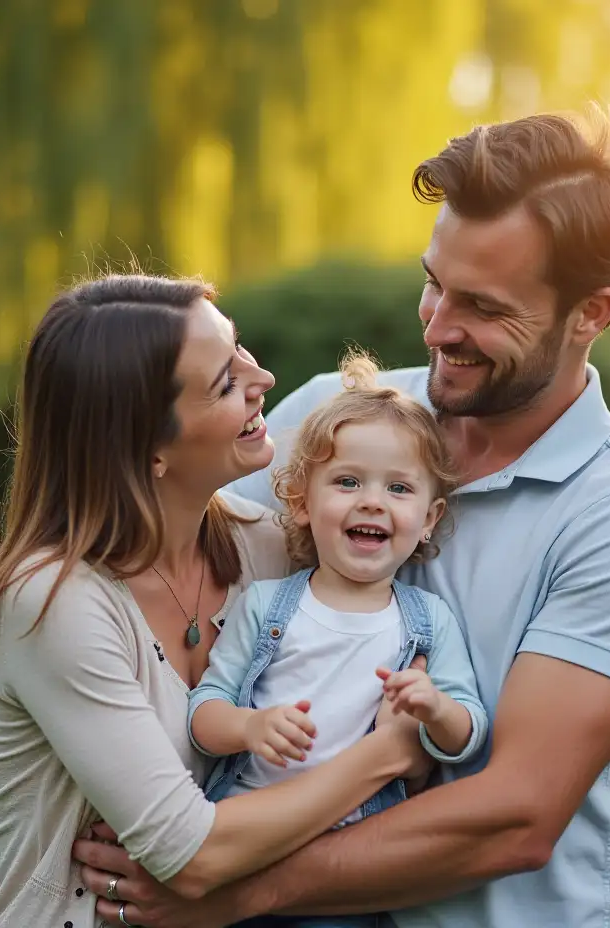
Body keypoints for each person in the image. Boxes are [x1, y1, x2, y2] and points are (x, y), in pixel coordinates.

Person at [64, 109, 610, 927]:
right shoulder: (338, 418)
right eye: (434, 281)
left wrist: (232, 890)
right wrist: (77, 763)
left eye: (483, 305)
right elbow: (172, 589)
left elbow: (514, 815)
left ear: (592, 314)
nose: (437, 326)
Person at [0, 275, 431, 928]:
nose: (264, 378)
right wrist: (388, 754)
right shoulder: (51, 602)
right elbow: (186, 852)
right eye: (226, 381)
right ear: (148, 449)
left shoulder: (270, 551)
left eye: (242, 349)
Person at [188, 354, 489, 928]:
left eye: (399, 488)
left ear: (429, 517)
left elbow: (469, 733)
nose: (372, 501)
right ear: (301, 502)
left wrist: (436, 709)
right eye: (347, 481)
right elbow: (204, 711)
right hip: (244, 843)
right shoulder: (267, 605)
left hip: (350, 870)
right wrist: (249, 726)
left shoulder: (427, 622)